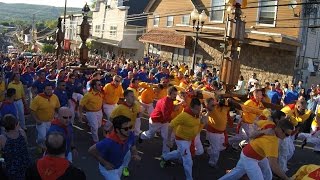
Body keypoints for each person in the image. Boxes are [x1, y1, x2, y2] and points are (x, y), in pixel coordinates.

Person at [219, 118, 294, 180]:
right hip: (249, 158)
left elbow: (255, 121)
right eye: (287, 135)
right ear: (280, 130)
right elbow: (274, 165)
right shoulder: (272, 142)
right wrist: (286, 178)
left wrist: (262, 131)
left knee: (267, 176)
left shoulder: (269, 124)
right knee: (241, 173)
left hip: (253, 154)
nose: (287, 137)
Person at [161, 98, 206, 180]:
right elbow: (171, 125)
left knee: (179, 153)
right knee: (188, 161)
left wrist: (202, 123)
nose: (199, 111)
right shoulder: (184, 115)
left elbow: (197, 127)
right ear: (191, 108)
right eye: (197, 109)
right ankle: (189, 178)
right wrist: (168, 139)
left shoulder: (197, 114)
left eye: (200, 109)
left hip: (189, 139)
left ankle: (164, 157)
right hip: (181, 140)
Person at [88, 115, 140, 180]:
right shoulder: (108, 142)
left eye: (130, 127)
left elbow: (133, 147)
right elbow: (91, 150)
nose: (129, 130)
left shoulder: (130, 135)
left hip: (119, 166)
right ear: (117, 130)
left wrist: (135, 154)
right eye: (126, 129)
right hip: (108, 170)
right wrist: (105, 163)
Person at [139, 86, 178, 156]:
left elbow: (171, 109)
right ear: (170, 94)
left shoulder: (170, 100)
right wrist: (175, 121)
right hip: (156, 121)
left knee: (166, 137)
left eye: (176, 94)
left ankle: (165, 155)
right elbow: (166, 116)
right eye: (174, 94)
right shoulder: (165, 102)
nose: (176, 96)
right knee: (150, 135)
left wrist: (180, 104)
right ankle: (141, 135)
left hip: (164, 121)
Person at [30, 84, 60, 152]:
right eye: (47, 89)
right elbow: (32, 110)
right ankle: (38, 143)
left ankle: (46, 149)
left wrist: (58, 115)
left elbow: (57, 107)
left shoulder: (55, 97)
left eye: (50, 89)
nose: (49, 91)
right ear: (44, 90)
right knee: (42, 137)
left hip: (51, 121)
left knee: (50, 136)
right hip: (41, 122)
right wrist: (36, 120)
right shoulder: (38, 98)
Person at [0, 114, 30, 179]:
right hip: (25, 165)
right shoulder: (22, 132)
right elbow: (26, 145)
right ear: (16, 124)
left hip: (12, 169)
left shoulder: (2, 138)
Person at [205, 97, 232, 168]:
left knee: (222, 147)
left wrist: (229, 101)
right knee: (216, 150)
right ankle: (212, 163)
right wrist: (214, 105)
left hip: (222, 132)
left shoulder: (224, 107)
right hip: (213, 132)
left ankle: (209, 150)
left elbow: (231, 105)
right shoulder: (212, 109)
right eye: (212, 104)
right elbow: (208, 108)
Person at [79, 79, 103, 144]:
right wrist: (80, 115)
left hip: (99, 112)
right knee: (95, 127)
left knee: (98, 126)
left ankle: (89, 124)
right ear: (94, 86)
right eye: (99, 85)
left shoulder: (100, 93)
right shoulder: (88, 95)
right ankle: (96, 141)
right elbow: (81, 105)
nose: (101, 86)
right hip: (91, 113)